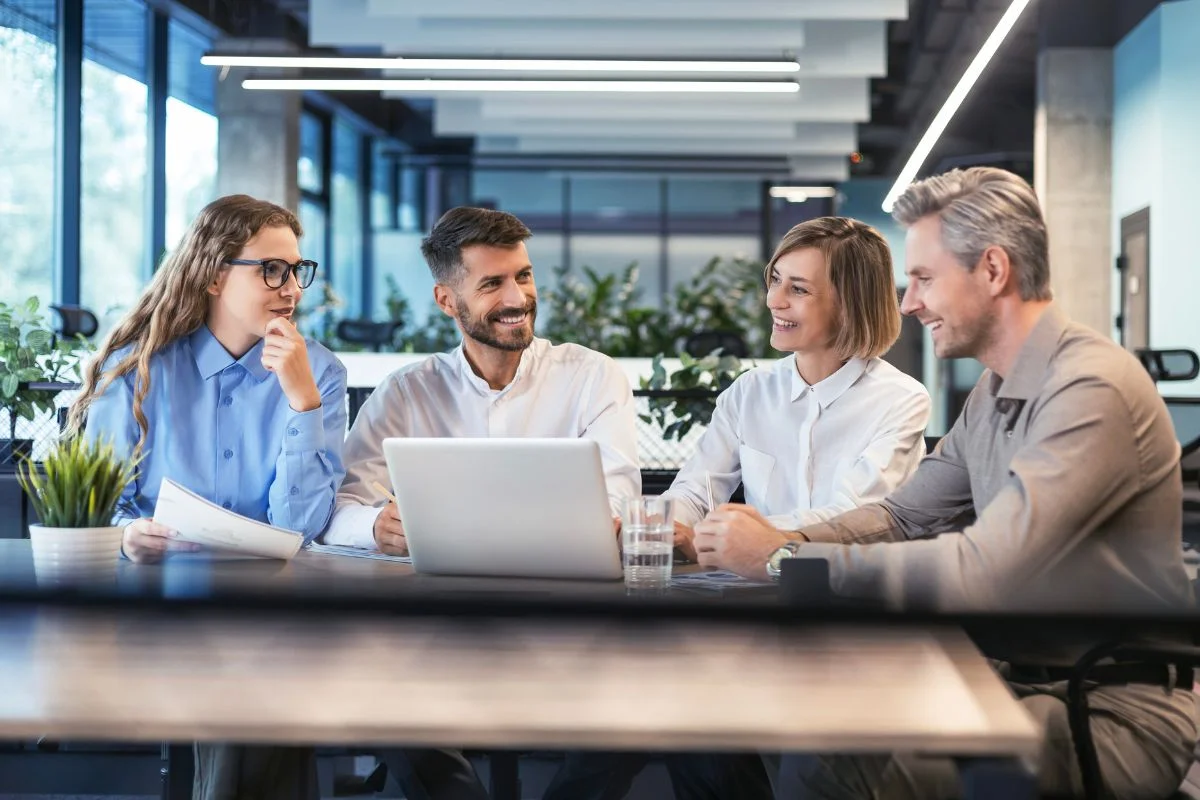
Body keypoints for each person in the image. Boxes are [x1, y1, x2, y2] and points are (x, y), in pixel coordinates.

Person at [694, 167, 1196, 799]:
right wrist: (777, 538)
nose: (907, 303)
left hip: (1106, 708)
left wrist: (786, 556)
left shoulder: (1089, 388)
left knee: (831, 758)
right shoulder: (994, 390)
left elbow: (987, 570)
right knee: (794, 706)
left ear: (992, 270)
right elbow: (903, 517)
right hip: (1014, 679)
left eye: (924, 279)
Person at [542, 216, 932, 800]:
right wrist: (669, 526)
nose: (774, 300)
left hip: (842, 619)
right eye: (775, 281)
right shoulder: (749, 394)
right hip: (744, 620)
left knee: (681, 707)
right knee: (625, 713)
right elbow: (695, 490)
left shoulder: (900, 402)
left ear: (850, 302)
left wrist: (744, 534)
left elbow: (854, 516)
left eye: (798, 288)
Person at [321, 205, 642, 799]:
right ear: (448, 301)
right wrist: (375, 527)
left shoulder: (591, 378)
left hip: (571, 626)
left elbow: (616, 499)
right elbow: (336, 508)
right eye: (492, 284)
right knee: (377, 693)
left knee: (640, 710)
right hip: (440, 632)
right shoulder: (406, 394)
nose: (517, 296)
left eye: (522, 276)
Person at [70, 194, 348, 800]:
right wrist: (126, 534)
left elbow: (300, 527)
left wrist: (301, 402)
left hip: (274, 609)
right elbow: (99, 509)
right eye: (272, 269)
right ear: (216, 273)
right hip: (162, 601)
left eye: (298, 269)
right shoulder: (137, 372)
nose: (291, 287)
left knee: (255, 657)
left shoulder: (318, 373)